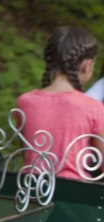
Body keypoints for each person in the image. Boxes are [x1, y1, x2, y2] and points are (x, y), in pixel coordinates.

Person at [16, 26, 104, 180]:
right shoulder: (93, 108)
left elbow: (26, 152)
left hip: (29, 190)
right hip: (72, 195)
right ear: (87, 65)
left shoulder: (24, 102)